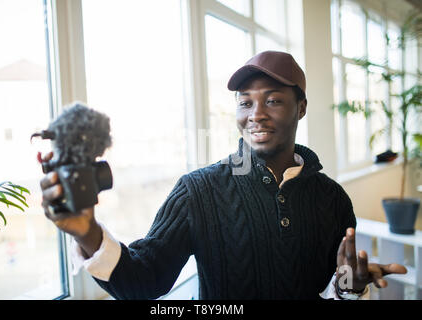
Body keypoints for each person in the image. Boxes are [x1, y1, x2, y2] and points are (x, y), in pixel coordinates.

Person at [39, 51, 406, 300]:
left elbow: (335, 286)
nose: (255, 114)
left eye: (273, 100)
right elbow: (145, 279)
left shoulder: (333, 199)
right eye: (245, 102)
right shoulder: (197, 191)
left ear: (302, 107)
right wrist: (87, 233)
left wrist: (349, 287)